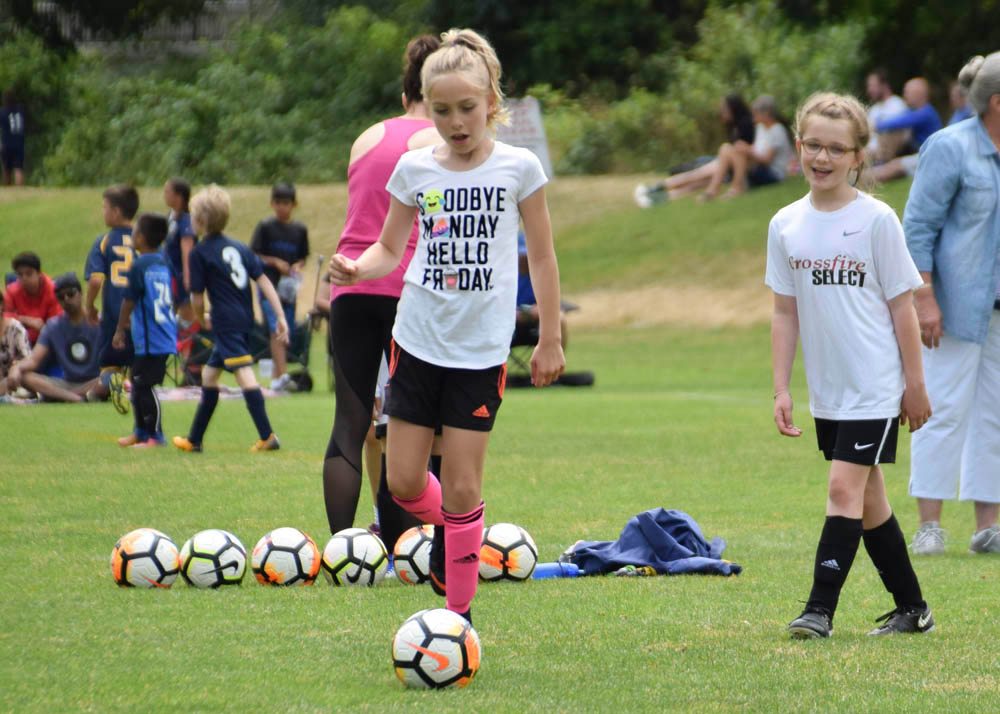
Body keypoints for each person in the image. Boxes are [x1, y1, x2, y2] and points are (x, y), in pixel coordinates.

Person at [330, 28, 566, 623]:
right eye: (441, 111)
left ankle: (457, 619)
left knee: (461, 486)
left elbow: (541, 257)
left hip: (480, 354)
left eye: (467, 108)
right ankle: (466, 535)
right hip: (416, 342)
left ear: (491, 102)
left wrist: (549, 337)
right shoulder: (414, 168)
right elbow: (389, 249)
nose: (456, 122)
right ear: (425, 107)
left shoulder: (520, 167)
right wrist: (356, 269)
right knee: (407, 485)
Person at [766, 91, 933, 638]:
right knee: (868, 500)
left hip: (875, 384)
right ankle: (914, 609)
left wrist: (914, 384)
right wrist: (781, 389)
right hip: (829, 389)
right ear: (798, 147)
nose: (823, 157)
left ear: (859, 157)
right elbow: (784, 312)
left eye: (837, 148)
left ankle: (818, 610)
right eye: (813, 144)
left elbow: (903, 308)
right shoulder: (785, 224)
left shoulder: (877, 220)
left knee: (843, 490)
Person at [322, 34, 442, 549]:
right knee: (416, 423)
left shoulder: (365, 138)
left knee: (350, 424)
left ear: (402, 95)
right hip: (409, 290)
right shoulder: (445, 144)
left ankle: (345, 551)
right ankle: (413, 544)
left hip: (351, 286)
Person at [905, 53, 1000, 556]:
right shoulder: (949, 147)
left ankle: (988, 526)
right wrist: (924, 297)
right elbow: (917, 227)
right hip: (953, 308)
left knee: (996, 415)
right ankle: (929, 525)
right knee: (940, 411)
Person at [172, 185, 288, 454]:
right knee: (210, 376)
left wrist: (202, 318)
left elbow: (197, 298)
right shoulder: (238, 247)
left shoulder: (199, 253)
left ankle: (267, 435)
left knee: (245, 375)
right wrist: (279, 314)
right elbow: (264, 281)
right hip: (244, 318)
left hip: (225, 322)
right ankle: (195, 440)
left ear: (199, 221)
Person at [113, 213, 176, 448]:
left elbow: (128, 300)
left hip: (152, 339)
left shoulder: (140, 264)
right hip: (161, 334)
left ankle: (155, 435)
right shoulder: (162, 260)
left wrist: (120, 329)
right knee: (137, 381)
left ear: (139, 237)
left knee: (143, 384)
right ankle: (140, 432)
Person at [634, 94, 754, 205]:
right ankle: (655, 194)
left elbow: (745, 151)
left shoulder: (746, 124)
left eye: (724, 108)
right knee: (696, 179)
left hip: (730, 167)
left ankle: (654, 193)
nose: (721, 111)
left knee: (695, 178)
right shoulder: (735, 125)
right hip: (727, 166)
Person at [7, 272, 103, 402]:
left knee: (110, 377)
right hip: (67, 383)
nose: (67, 299)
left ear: (81, 294)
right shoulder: (53, 326)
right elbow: (34, 360)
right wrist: (16, 368)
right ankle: (76, 398)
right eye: (61, 297)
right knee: (24, 376)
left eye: (71, 294)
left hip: (95, 381)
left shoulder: (99, 321)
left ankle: (66, 396)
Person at [250, 183, 309, 391]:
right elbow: (254, 254)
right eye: (278, 203)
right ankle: (282, 376)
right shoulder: (265, 227)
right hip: (269, 286)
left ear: (293, 204)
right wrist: (275, 262)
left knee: (286, 330)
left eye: (286, 203)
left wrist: (296, 266)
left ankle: (276, 379)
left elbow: (303, 256)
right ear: (272, 204)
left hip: (288, 289)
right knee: (277, 328)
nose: (282, 207)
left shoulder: (299, 230)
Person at [84, 184, 139, 408]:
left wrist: (90, 306)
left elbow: (96, 279)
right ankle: (138, 392)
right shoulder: (144, 239)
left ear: (116, 211)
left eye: (104, 207)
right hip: (140, 313)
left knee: (109, 364)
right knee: (140, 361)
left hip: (115, 313)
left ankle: (109, 384)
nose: (103, 212)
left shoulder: (104, 241)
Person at [699, 94, 793, 201]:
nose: (754, 116)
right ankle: (713, 189)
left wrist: (747, 150)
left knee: (738, 152)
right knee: (726, 148)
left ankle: (737, 188)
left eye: (757, 112)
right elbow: (757, 148)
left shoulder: (777, 130)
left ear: (766, 113)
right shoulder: (761, 127)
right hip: (759, 167)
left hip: (773, 173)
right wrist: (746, 148)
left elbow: (767, 160)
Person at [162, 177, 201, 380]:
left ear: (178, 196)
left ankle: (190, 368)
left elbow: (188, 250)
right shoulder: (171, 218)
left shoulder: (186, 221)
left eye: (168, 191)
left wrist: (189, 277)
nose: (164, 195)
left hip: (179, 277)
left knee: (187, 321)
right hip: (167, 276)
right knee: (168, 320)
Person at [871, 78, 944, 184]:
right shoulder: (914, 111)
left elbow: (896, 122)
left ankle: (860, 178)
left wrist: (875, 125)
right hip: (920, 154)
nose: (904, 95)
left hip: (930, 158)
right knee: (892, 163)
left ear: (919, 94)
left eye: (907, 92)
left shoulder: (925, 113)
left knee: (893, 167)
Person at [4, 252, 61, 345]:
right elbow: (3, 316)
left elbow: (56, 323)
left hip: (48, 340)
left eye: (29, 274)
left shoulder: (52, 290)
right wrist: (28, 320)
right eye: (20, 275)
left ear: (39, 273)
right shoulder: (12, 291)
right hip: (20, 340)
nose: (24, 278)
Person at [865, 68, 908, 162]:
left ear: (884, 85)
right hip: (870, 150)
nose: (869, 90)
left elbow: (899, 134)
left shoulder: (897, 104)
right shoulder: (874, 109)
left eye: (873, 86)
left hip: (887, 151)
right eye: (869, 86)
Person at [0, 289, 31, 398]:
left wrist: (16, 366)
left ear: (2, 305)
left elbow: (26, 359)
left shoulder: (16, 329)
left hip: (14, 380)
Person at [0, 90, 26, 186]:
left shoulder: (3, 112)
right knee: (18, 168)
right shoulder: (20, 110)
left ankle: (8, 189)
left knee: (7, 169)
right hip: (19, 143)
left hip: (6, 144)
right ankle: (19, 189)